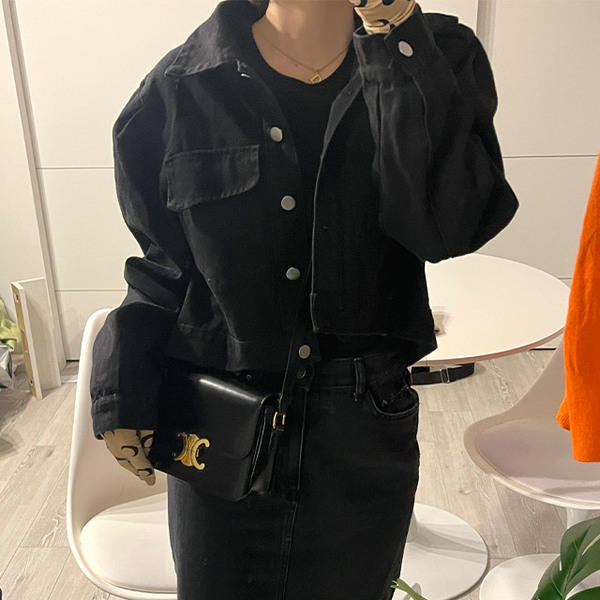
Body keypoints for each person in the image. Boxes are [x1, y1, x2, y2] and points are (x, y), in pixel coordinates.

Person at [91, 0, 519, 598]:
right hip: (221, 418)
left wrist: (395, 35)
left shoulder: (434, 54)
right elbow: (165, 265)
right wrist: (123, 388)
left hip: (363, 424)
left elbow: (449, 228)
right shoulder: (180, 87)